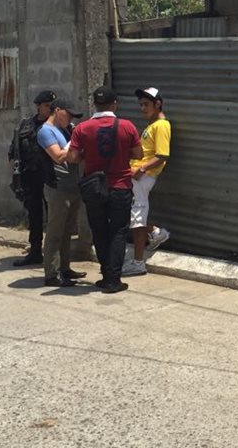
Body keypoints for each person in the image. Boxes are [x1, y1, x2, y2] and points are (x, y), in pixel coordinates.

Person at [67, 87, 142, 294]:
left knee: (99, 231)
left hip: (94, 188)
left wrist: (87, 155)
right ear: (114, 104)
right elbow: (138, 153)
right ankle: (113, 279)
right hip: (120, 186)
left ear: (95, 104)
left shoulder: (82, 128)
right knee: (118, 232)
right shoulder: (127, 126)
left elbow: (72, 158)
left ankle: (105, 274)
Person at [36, 99, 88, 288]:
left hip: (72, 185)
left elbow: (75, 156)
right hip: (58, 187)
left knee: (67, 231)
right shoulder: (45, 131)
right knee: (55, 231)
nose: (71, 119)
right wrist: (75, 146)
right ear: (57, 110)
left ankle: (64, 268)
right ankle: (51, 273)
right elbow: (58, 156)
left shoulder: (66, 130)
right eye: (69, 114)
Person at [122, 87, 172, 277]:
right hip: (136, 176)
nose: (142, 108)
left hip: (142, 178)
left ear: (158, 104)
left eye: (146, 105)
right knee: (133, 217)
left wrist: (141, 169)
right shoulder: (152, 125)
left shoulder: (161, 126)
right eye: (141, 105)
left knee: (136, 220)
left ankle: (138, 263)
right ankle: (157, 233)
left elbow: (162, 155)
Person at [9, 89, 56, 268]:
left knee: (54, 217)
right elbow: (14, 151)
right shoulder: (25, 125)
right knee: (34, 215)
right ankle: (35, 251)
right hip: (31, 177)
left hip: (52, 177)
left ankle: (55, 255)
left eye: (52, 105)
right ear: (38, 106)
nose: (50, 108)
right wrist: (16, 176)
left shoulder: (57, 125)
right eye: (46, 106)